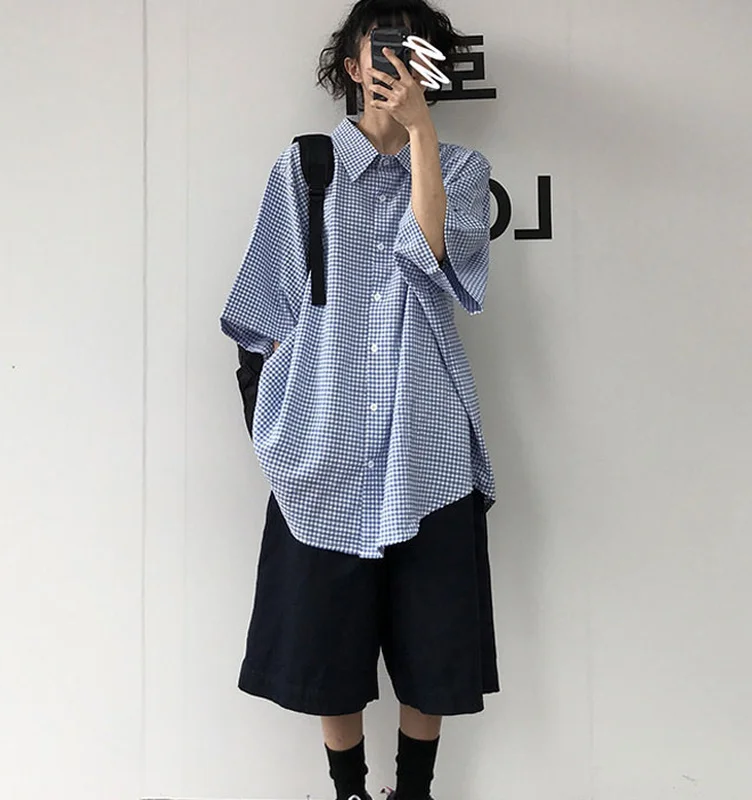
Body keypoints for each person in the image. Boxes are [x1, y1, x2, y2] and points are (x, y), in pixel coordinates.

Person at [219, 2, 499, 799]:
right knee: (325, 645)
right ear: (351, 65)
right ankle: (347, 792)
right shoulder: (305, 167)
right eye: (382, 47)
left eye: (416, 51)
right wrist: (276, 426)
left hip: (427, 444)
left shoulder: (461, 170)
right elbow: (259, 307)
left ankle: (415, 793)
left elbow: (429, 257)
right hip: (324, 443)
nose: (398, 63)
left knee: (433, 643)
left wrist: (420, 135)